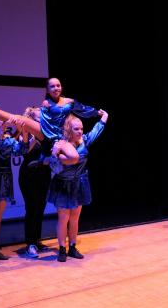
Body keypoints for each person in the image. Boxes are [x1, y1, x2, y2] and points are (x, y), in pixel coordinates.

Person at [0, 77, 99, 164]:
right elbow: (41, 118)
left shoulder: (69, 101)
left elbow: (82, 109)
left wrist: (96, 112)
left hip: (59, 138)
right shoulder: (46, 104)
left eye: (58, 85)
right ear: (47, 90)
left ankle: (49, 159)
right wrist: (28, 120)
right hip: (44, 131)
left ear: (61, 87)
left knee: (74, 157)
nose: (56, 88)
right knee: (17, 118)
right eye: (52, 86)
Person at [48, 110, 108, 262]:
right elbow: (53, 165)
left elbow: (97, 129)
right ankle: (62, 248)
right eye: (76, 129)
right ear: (69, 129)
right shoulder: (61, 144)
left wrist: (104, 116)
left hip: (79, 183)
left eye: (81, 128)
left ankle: (72, 247)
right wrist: (56, 154)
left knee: (74, 218)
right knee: (63, 217)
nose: (80, 131)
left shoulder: (85, 141)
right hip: (63, 184)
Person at [0, 106, 28, 264]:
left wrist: (22, 130)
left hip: (6, 178)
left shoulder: (9, 141)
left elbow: (22, 150)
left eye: (0, 118)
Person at [18, 106, 52, 258]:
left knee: (40, 208)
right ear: (31, 120)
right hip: (29, 175)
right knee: (31, 208)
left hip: (44, 174)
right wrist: (34, 135)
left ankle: (37, 240)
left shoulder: (48, 134)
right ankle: (30, 243)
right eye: (38, 118)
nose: (41, 120)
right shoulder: (25, 134)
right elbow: (25, 152)